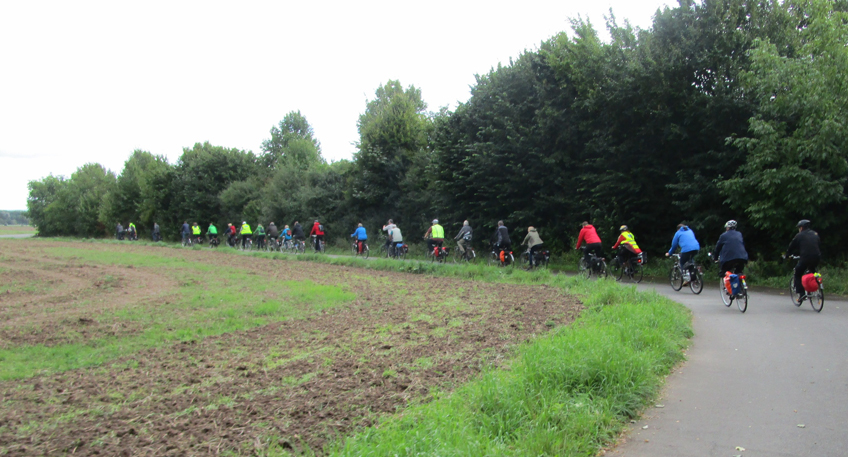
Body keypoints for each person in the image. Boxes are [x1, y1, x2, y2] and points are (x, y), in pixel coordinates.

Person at [785, 219, 821, 301]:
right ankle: (818, 284)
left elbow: (791, 246)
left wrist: (787, 255)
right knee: (813, 271)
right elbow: (817, 244)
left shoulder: (799, 235)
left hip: (805, 258)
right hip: (817, 257)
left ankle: (801, 294)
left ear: (801, 228)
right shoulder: (815, 234)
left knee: (798, 274)